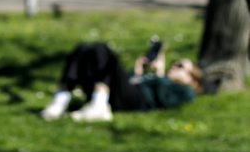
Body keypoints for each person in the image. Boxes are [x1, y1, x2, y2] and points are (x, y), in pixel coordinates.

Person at [40, 41, 202, 121]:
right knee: (82, 48)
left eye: (180, 66)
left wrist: (160, 75)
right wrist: (137, 71)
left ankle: (99, 105)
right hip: (121, 92)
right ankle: (60, 100)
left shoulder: (186, 91)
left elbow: (166, 102)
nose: (174, 65)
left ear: (190, 78)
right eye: (175, 63)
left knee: (101, 48)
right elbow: (122, 80)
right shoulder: (152, 77)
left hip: (136, 100)